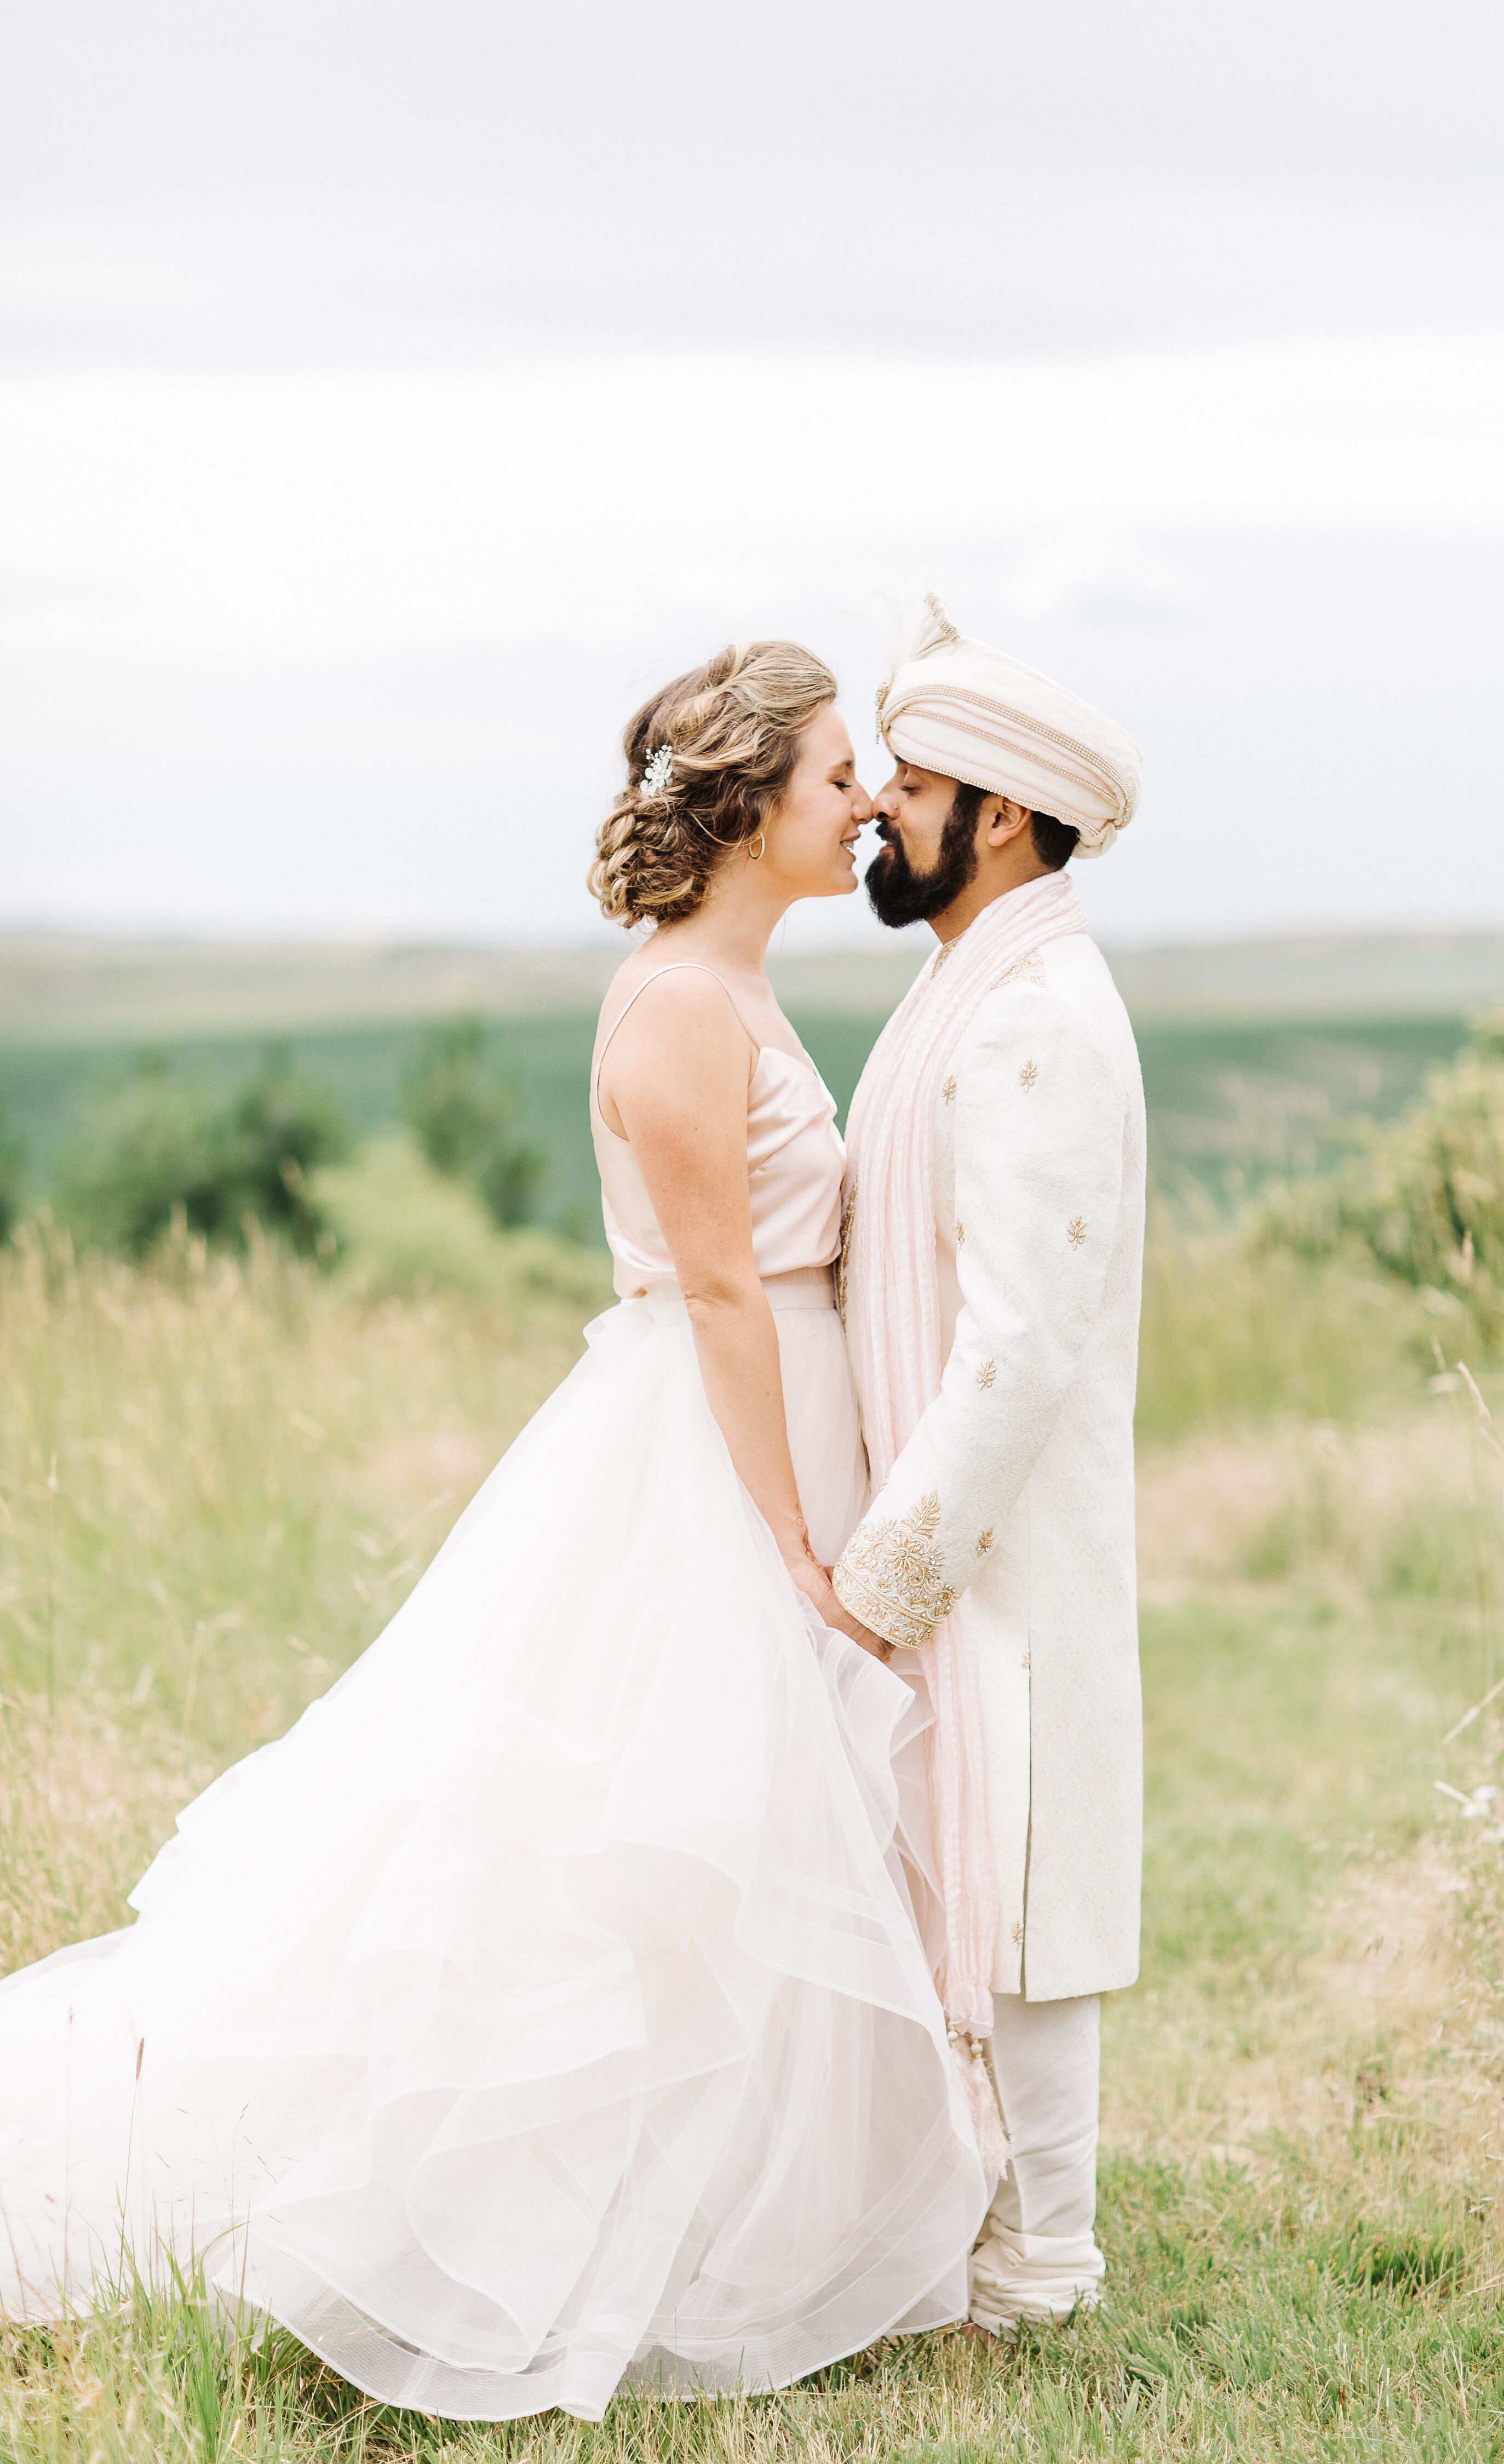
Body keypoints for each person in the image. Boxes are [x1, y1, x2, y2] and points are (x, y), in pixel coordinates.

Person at [0, 640, 987, 2422]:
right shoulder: (684, 1003)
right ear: (754, 795)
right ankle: (465, 2223)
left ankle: (718, 2215)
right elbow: (717, 1290)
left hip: (760, 1441)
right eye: (838, 772)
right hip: (708, 1468)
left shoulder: (732, 981)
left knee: (739, 1851)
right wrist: (787, 1544)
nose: (864, 803)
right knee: (615, 1863)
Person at [829, 595, 1146, 2338]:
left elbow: (1016, 1351)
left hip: (990, 1560)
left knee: (1021, 1880)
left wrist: (885, 1577)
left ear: (1003, 816)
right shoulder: (979, 980)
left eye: (916, 780)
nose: (877, 801)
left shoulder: (1033, 1015)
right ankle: (966, 2239)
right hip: (950, 1547)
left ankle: (1041, 2269)